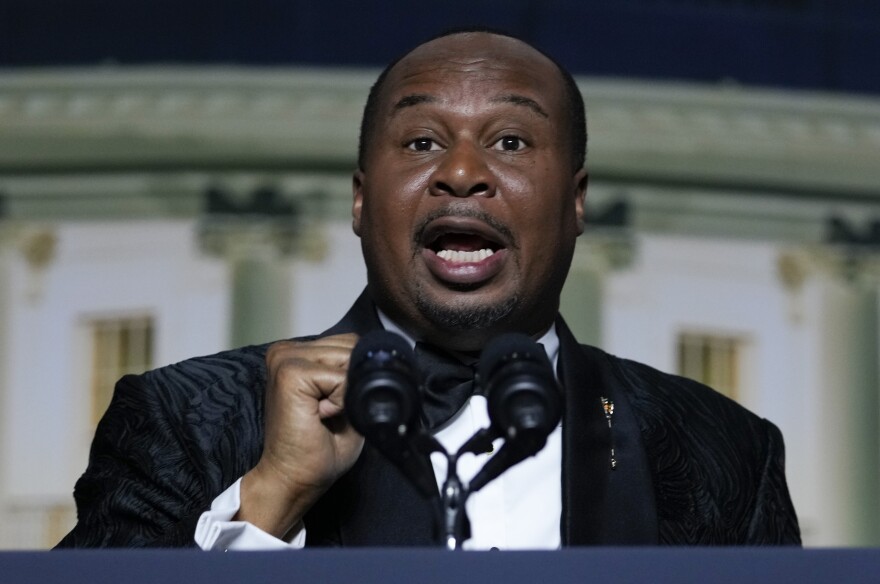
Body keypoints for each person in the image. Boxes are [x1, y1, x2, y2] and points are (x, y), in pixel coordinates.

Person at [56, 29, 800, 549]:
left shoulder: (726, 450)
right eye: (421, 143)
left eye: (511, 141)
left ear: (577, 204)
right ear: (358, 200)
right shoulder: (182, 420)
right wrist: (268, 503)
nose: (462, 172)